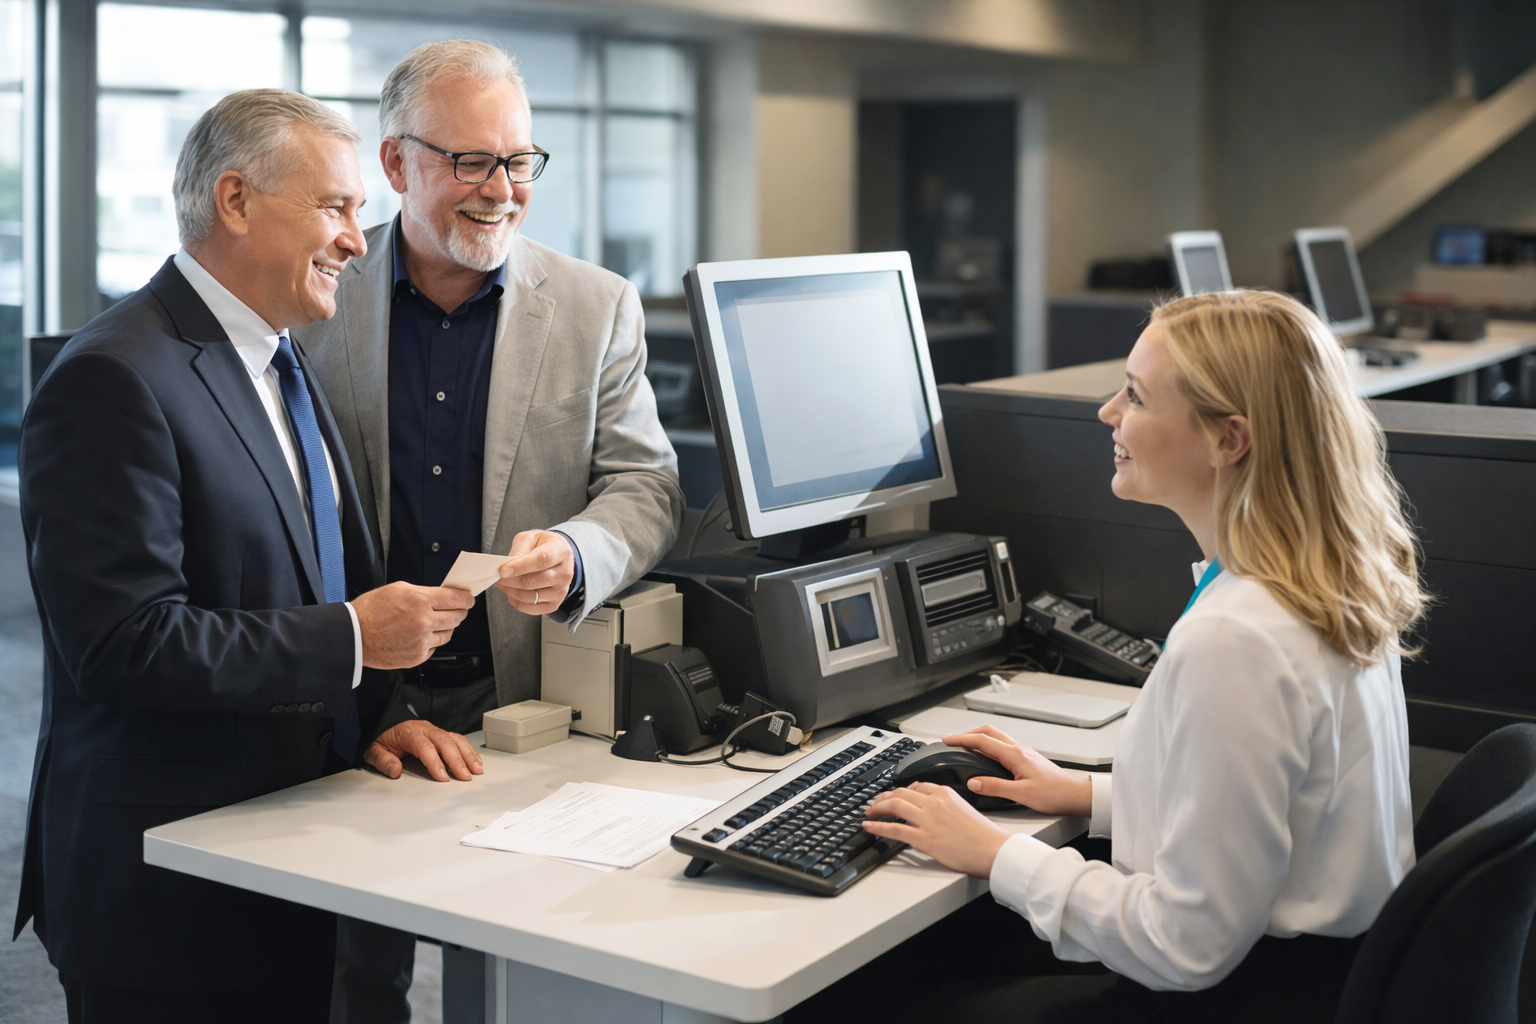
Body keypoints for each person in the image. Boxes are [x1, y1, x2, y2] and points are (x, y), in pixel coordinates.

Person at [807, 289, 1427, 1023]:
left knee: (867, 992)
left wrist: (994, 853)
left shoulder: (1239, 638)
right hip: (1312, 974)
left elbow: (1185, 946)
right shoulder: (1321, 583)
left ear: (1228, 440)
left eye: (1135, 396)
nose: (1108, 413)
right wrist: (1087, 794)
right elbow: (1272, 816)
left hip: (1239, 997)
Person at [13, 89, 487, 1024]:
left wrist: (374, 714)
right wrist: (354, 639)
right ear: (235, 200)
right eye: (335, 207)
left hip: (284, 861)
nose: (357, 240)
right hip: (167, 904)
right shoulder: (111, 376)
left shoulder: (278, 354)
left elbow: (309, 570)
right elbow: (123, 645)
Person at [290, 41, 684, 1023]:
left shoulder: (596, 305)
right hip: (352, 692)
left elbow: (646, 486)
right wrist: (361, 696)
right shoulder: (312, 296)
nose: (501, 190)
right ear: (396, 164)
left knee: (522, 966)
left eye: (518, 161)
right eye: (471, 161)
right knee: (348, 971)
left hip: (524, 696)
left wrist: (581, 550)